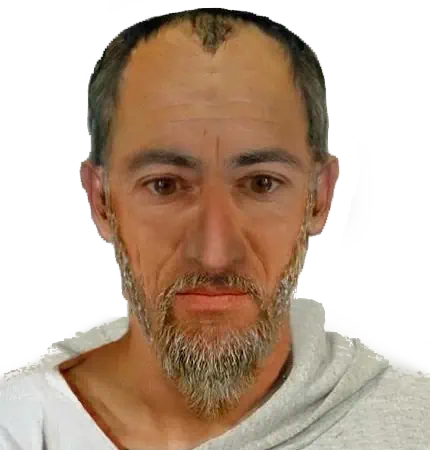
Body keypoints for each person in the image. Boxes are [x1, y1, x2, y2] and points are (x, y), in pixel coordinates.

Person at [1, 7, 429, 450]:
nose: (214, 254)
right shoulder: (18, 426)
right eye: (165, 185)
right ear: (101, 201)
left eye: (261, 184)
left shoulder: (415, 430)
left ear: (319, 197)